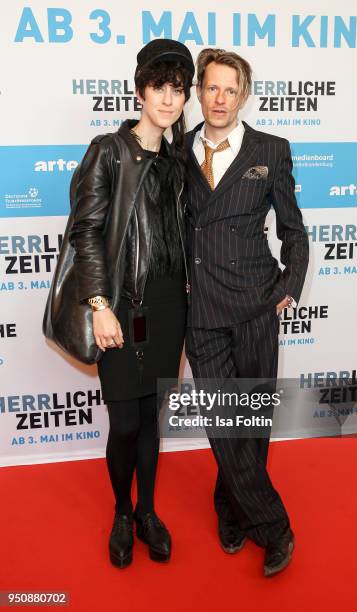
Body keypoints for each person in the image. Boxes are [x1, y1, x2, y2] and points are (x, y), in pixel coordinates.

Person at [69, 39, 194, 569]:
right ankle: (122, 512)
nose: (168, 99)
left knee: (150, 420)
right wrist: (100, 304)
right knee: (123, 422)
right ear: (140, 89)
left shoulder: (179, 159)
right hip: (120, 302)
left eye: (178, 89)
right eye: (159, 87)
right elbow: (86, 231)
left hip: (169, 305)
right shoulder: (109, 150)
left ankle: (147, 512)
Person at [184, 48, 309, 576]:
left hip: (257, 302)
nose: (220, 99)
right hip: (203, 308)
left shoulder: (271, 149)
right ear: (197, 92)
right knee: (223, 420)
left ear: (243, 95)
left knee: (251, 422)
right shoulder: (176, 152)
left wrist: (289, 285)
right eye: (210, 88)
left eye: (229, 90)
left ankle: (230, 505)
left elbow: (293, 230)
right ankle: (274, 525)